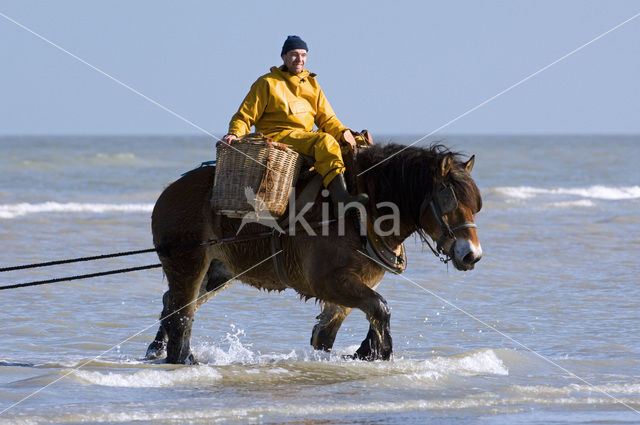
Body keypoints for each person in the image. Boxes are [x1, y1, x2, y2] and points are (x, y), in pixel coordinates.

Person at [222, 35, 368, 215]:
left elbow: (327, 119)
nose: (299, 59)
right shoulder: (267, 83)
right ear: (283, 57)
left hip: (304, 137)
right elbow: (245, 116)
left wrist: (344, 133)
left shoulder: (312, 84)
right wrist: (234, 133)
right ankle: (341, 199)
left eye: (303, 55)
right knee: (325, 141)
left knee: (355, 146)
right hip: (277, 136)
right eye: (294, 54)